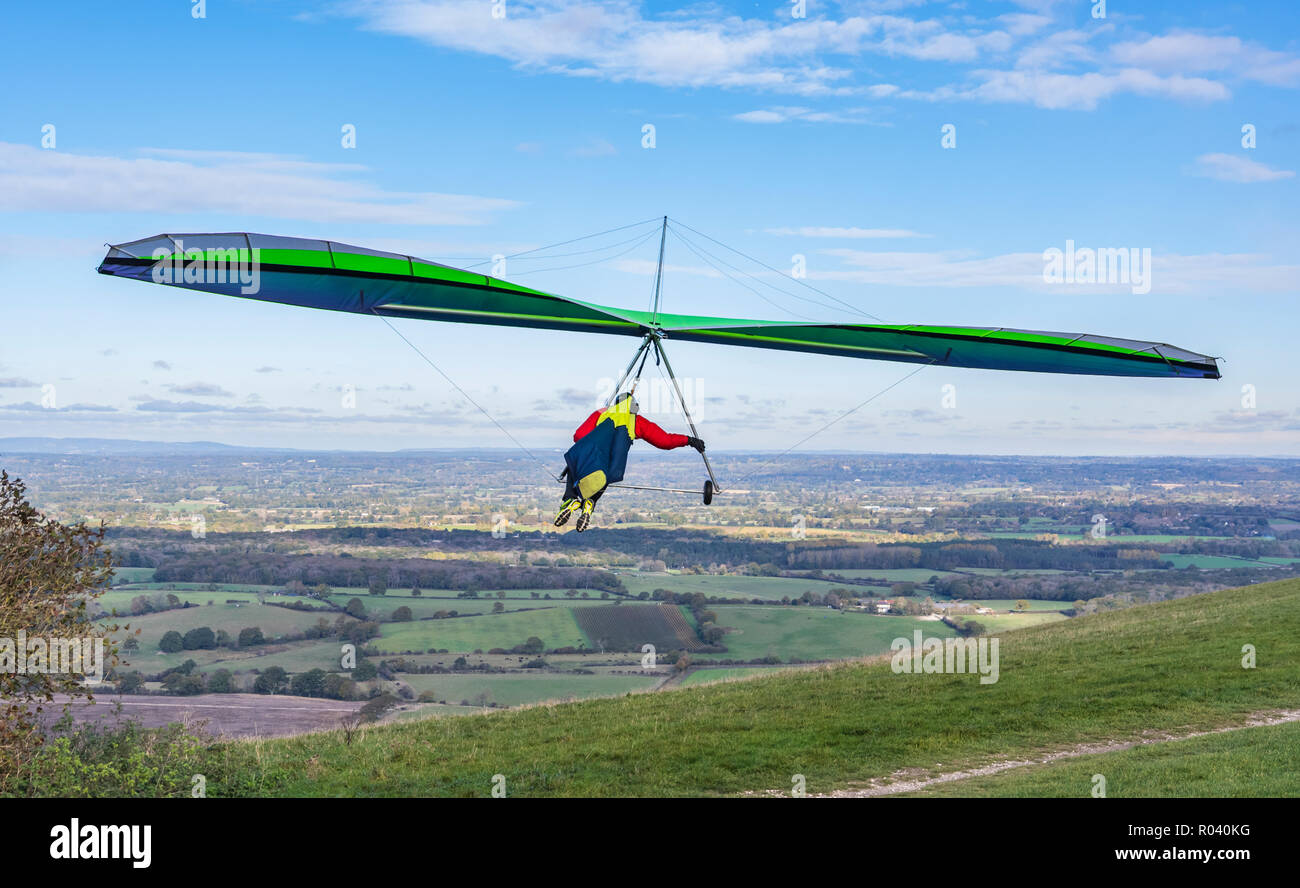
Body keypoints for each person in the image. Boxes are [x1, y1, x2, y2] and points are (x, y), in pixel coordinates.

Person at [555, 392, 704, 531]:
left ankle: (570, 500)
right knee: (603, 475)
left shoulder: (602, 413)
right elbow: (664, 441)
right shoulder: (637, 421)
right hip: (612, 462)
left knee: (576, 460)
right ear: (634, 408)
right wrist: (689, 440)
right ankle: (590, 503)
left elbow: (578, 436)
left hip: (591, 453)